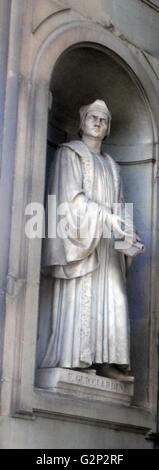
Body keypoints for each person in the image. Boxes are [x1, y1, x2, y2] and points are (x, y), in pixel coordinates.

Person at [41, 99, 144, 382]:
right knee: (81, 299)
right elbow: (69, 199)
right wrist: (106, 218)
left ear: (108, 128)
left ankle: (109, 362)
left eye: (103, 120)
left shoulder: (112, 165)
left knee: (115, 299)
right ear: (82, 122)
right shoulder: (69, 154)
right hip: (81, 243)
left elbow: (121, 206)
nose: (98, 122)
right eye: (93, 117)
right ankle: (73, 358)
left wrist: (128, 234)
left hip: (108, 247)